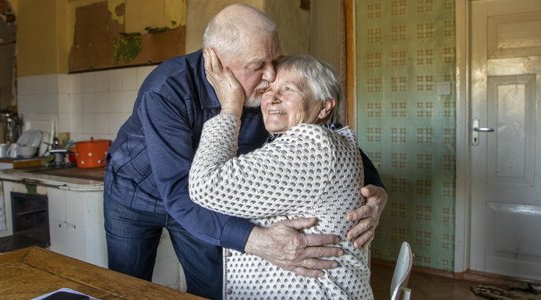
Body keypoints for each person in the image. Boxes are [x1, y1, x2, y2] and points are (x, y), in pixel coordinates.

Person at [103, 3, 387, 299]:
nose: (271, 75)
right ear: (216, 61)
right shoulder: (166, 90)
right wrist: (256, 241)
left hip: (204, 202)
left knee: (212, 288)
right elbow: (178, 191)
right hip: (134, 194)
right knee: (125, 288)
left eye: (274, 60)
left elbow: (327, 137)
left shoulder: (268, 89)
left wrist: (375, 190)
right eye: (258, 66)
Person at [190, 51, 373, 299]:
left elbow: (206, 185)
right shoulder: (332, 141)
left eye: (288, 89)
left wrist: (231, 107)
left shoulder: (312, 144)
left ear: (324, 106)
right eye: (268, 90)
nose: (273, 98)